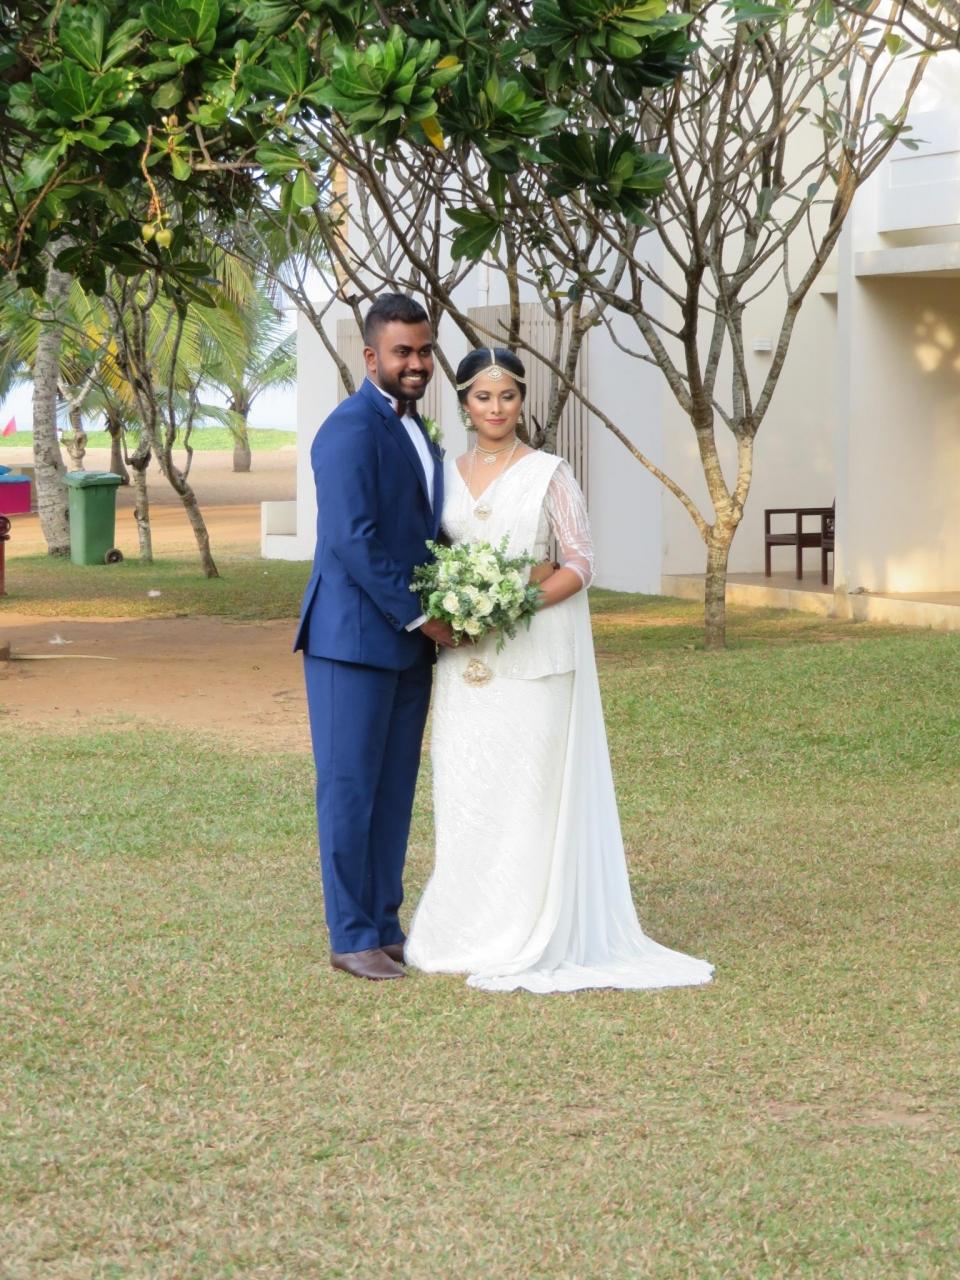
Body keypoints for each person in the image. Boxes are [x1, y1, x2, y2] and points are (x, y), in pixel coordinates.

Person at [405, 348, 714, 993]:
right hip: (466, 659)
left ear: (523, 402)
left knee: (529, 792)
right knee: (468, 786)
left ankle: (527, 928)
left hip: (537, 654)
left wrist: (513, 604)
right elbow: (429, 557)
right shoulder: (442, 475)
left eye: (508, 396)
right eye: (483, 397)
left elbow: (580, 562)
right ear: (463, 404)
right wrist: (459, 609)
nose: (496, 409)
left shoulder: (549, 473)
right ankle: (464, 927)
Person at [295, 293, 457, 981]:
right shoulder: (348, 430)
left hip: (409, 647)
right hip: (352, 642)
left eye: (424, 351)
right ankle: (351, 935)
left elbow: (421, 529)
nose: (416, 363)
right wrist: (423, 615)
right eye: (402, 352)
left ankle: (385, 925)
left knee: (392, 792)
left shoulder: (418, 430)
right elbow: (352, 540)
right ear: (370, 357)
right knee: (350, 789)